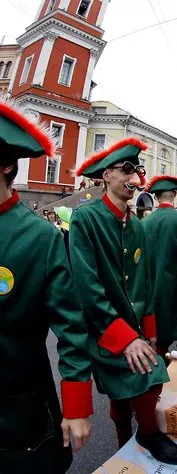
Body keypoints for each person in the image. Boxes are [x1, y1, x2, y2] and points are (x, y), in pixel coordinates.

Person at [70, 138, 177, 465]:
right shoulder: (86, 218)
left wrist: (147, 331)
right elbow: (87, 285)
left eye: (137, 170)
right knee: (147, 376)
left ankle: (128, 442)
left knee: (132, 386)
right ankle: (144, 437)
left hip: (135, 330)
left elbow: (145, 281)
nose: (134, 178)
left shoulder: (136, 224)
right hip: (104, 330)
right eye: (125, 170)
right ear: (105, 175)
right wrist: (126, 339)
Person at [0, 100, 93, 472]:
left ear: (6, 164)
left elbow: (71, 327)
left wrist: (75, 407)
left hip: (18, 411)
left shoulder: (40, 237)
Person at [142, 175, 177, 358]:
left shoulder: (144, 223)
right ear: (175, 195)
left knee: (158, 334)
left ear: (156, 197)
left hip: (153, 283)